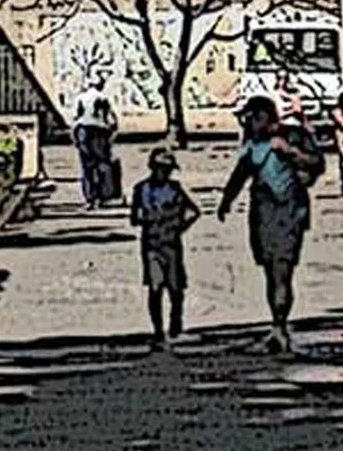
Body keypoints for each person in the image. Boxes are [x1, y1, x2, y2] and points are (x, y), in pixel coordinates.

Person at [219, 91, 319, 352]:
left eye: (251, 118)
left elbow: (317, 163)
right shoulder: (253, 143)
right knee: (270, 272)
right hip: (262, 213)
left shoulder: (293, 135)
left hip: (289, 213)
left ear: (265, 116)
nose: (248, 124)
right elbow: (241, 173)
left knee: (282, 271)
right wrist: (226, 201)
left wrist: (291, 152)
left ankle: (280, 326)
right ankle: (276, 326)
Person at [127, 144, 204, 347]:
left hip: (169, 243)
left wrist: (179, 227)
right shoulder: (141, 190)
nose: (165, 173)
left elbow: (194, 211)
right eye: (163, 168)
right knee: (156, 287)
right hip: (153, 244)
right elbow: (134, 218)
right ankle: (159, 330)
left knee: (175, 288)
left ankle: (174, 326)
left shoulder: (174, 189)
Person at [72, 89, 119, 208]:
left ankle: (90, 198)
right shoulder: (103, 97)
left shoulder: (80, 97)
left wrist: (75, 137)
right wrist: (112, 133)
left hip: (83, 130)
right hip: (100, 130)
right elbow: (112, 118)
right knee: (102, 164)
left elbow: (75, 116)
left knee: (86, 166)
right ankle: (103, 196)